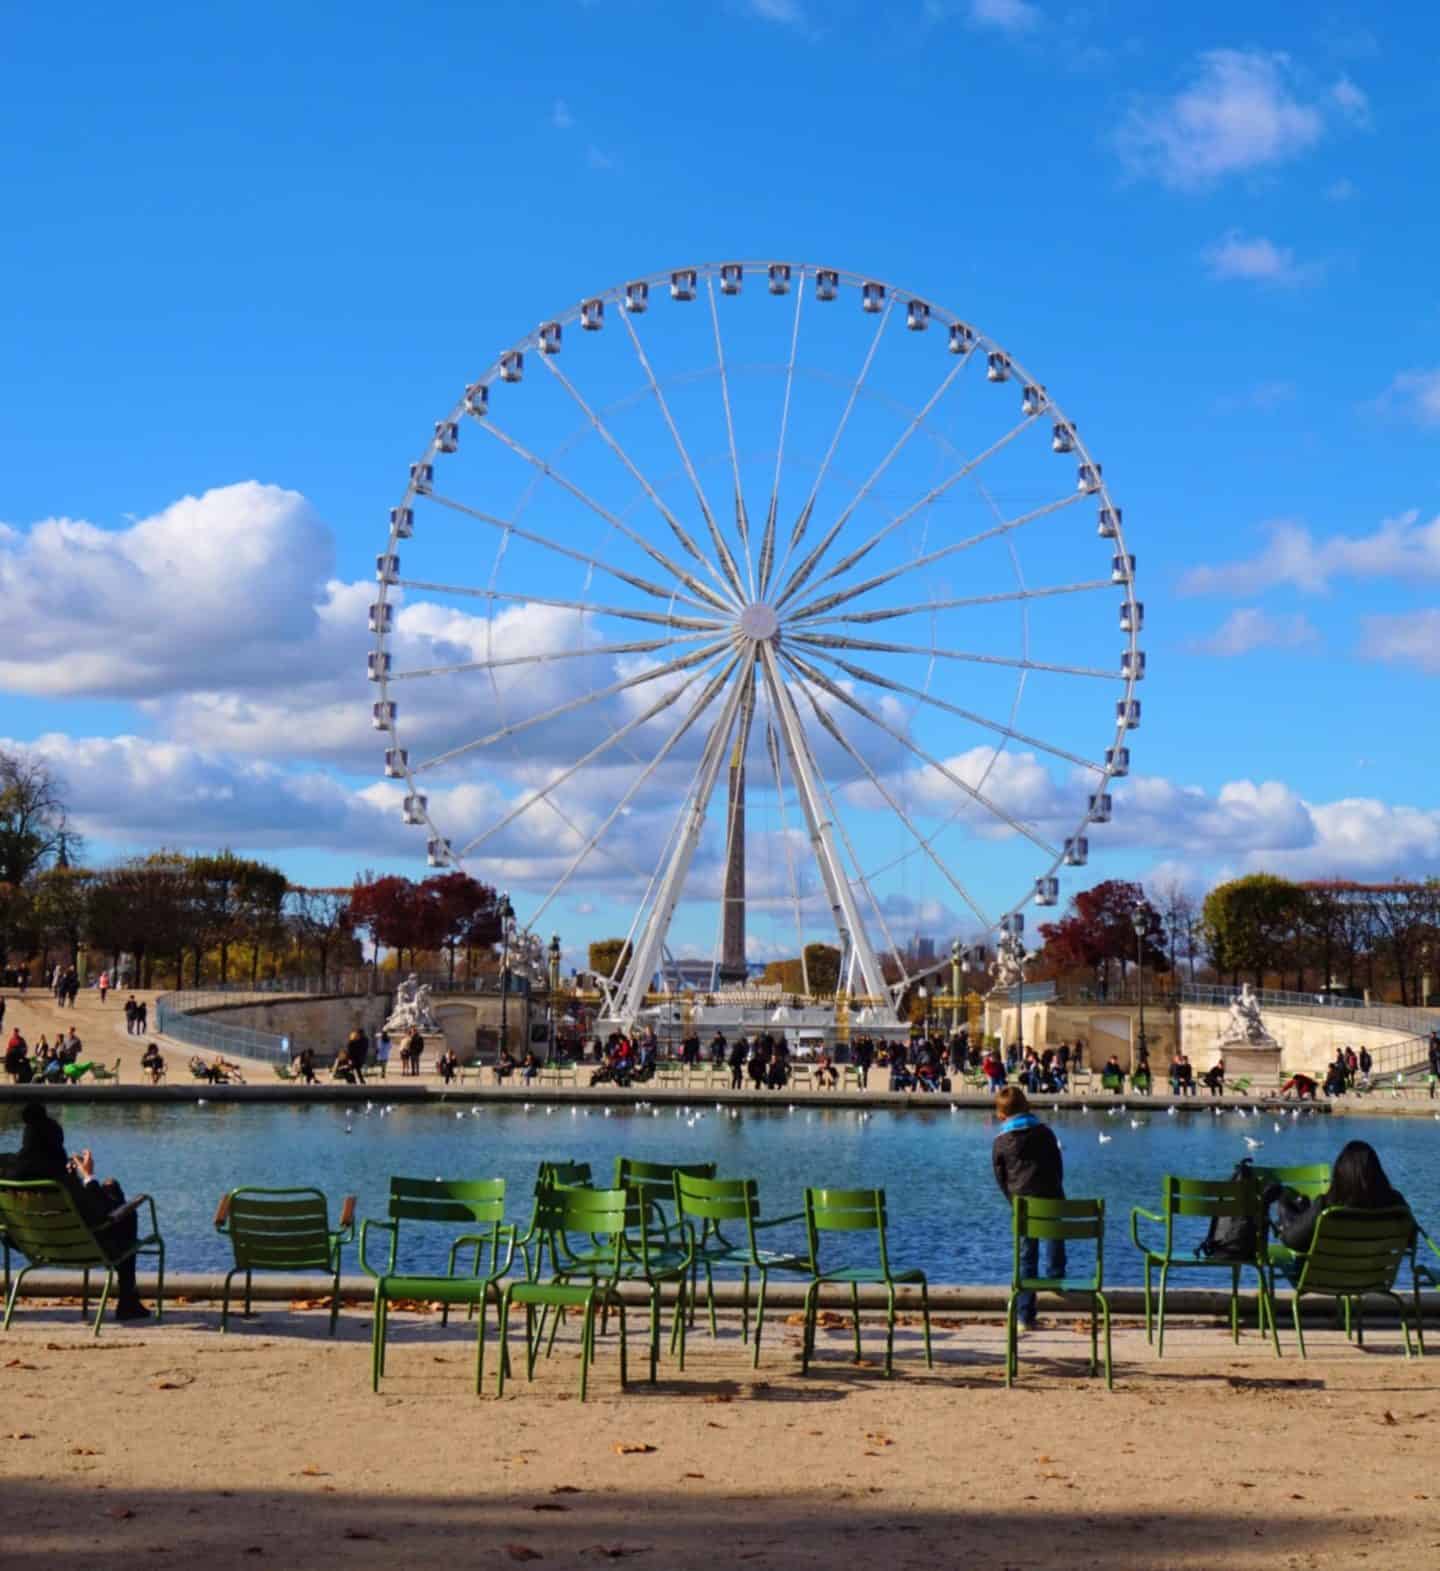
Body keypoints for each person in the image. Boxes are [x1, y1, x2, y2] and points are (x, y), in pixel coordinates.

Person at [10, 1102, 151, 1320]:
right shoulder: (60, 1184)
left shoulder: (12, 1182)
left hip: (31, 1243)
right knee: (125, 1212)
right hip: (82, 1246)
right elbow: (100, 1215)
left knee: (110, 1190)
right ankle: (128, 1299)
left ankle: (129, 1298)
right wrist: (87, 1177)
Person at [990, 1086, 1065, 1333]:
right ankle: (1055, 1275)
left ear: (1001, 1116)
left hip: (1022, 1203)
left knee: (1026, 1256)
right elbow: (1057, 1166)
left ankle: (1025, 1315)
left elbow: (1000, 1177)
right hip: (1051, 1198)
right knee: (1054, 1230)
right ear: (1028, 1107)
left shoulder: (1001, 1142)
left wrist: (1012, 1199)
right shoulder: (1046, 1133)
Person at [1266, 1140, 1410, 1254]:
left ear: (1340, 1173)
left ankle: (1287, 1209)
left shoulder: (1327, 1206)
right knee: (1298, 1216)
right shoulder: (1396, 1204)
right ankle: (1293, 1211)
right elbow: (1410, 1239)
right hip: (1375, 1277)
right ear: (1379, 1173)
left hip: (1327, 1276)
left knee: (1290, 1216)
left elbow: (1291, 1241)